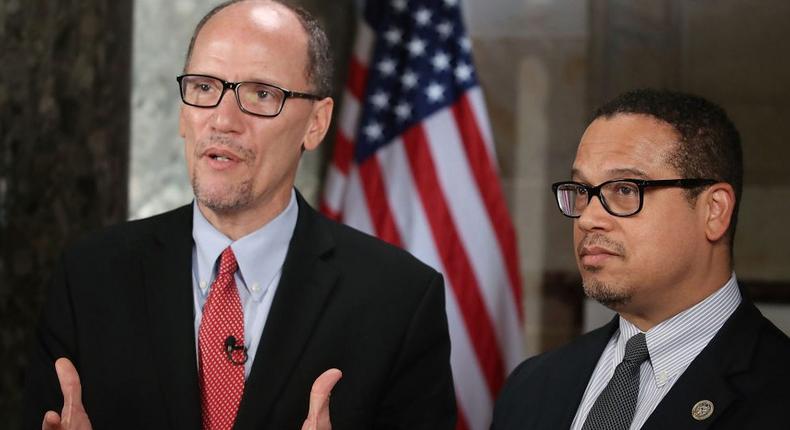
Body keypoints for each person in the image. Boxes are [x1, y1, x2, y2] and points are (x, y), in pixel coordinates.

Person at [22, 1, 456, 429]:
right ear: (183, 112)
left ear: (316, 124)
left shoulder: (400, 302)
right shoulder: (89, 277)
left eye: (262, 94)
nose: (223, 120)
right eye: (205, 88)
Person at [491, 89, 790, 429]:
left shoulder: (778, 392)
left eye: (625, 190)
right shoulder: (531, 386)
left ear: (714, 211)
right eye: (582, 191)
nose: (588, 219)